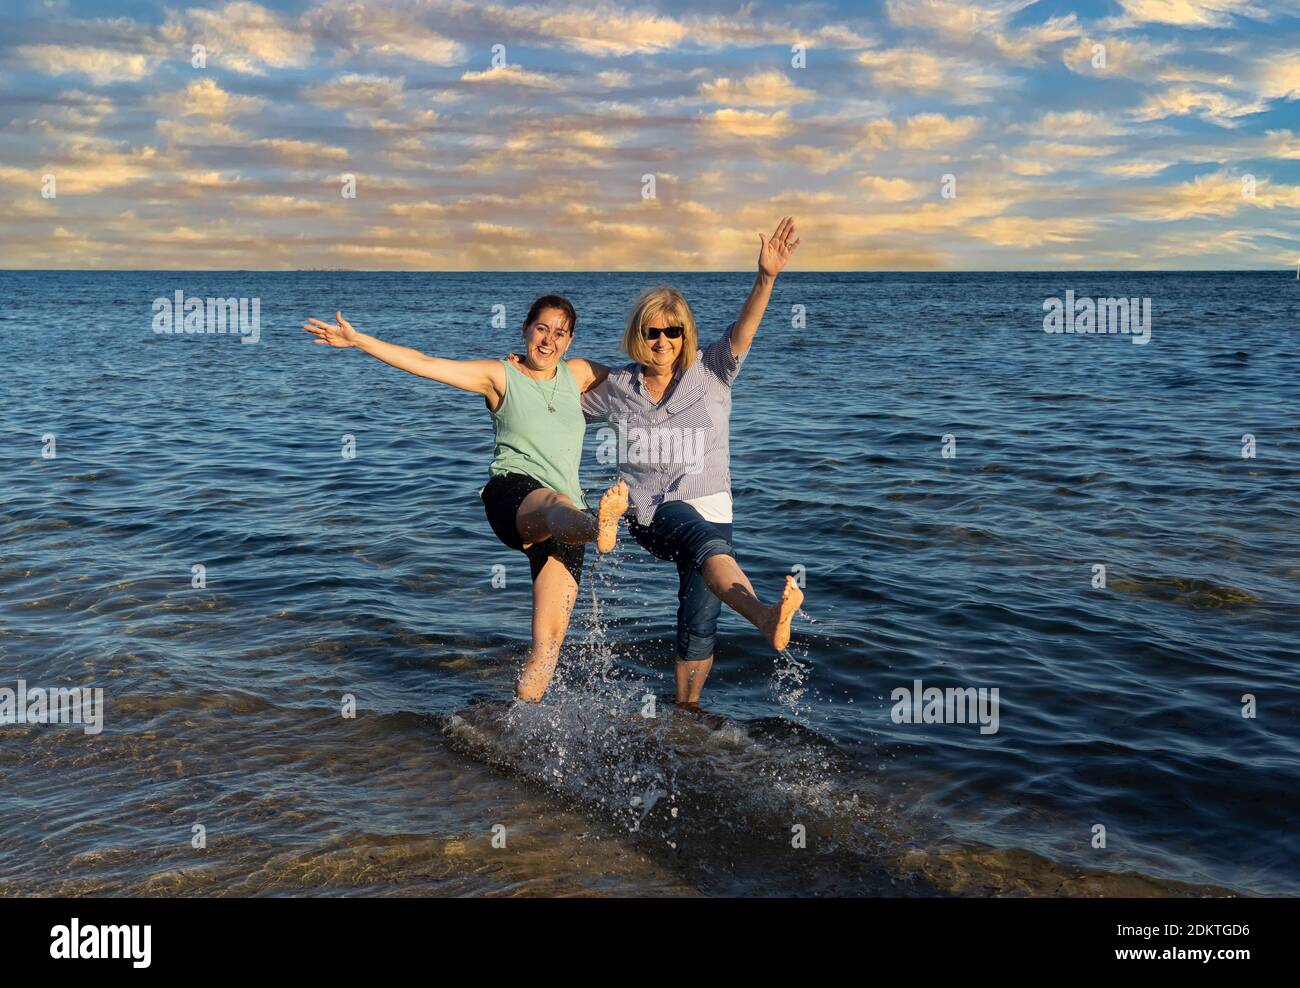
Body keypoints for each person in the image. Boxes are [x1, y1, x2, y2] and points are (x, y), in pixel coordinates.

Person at [302, 295, 628, 703]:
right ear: (526, 329)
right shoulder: (499, 375)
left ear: (570, 340)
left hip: (567, 517)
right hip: (514, 495)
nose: (548, 340)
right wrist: (360, 340)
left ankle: (521, 724)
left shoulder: (579, 373)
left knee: (548, 644)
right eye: (541, 329)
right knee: (554, 503)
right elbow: (426, 363)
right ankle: (600, 528)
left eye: (559, 333)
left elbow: (635, 383)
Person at [579, 217, 805, 706]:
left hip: (713, 505)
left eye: (673, 332)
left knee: (699, 618)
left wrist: (766, 277)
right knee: (697, 536)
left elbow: (745, 329)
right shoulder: (617, 387)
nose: (663, 342)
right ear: (639, 335)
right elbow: (556, 396)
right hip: (647, 510)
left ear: (686, 334)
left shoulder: (714, 370)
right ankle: (764, 616)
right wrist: (522, 370)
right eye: (652, 332)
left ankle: (687, 715)